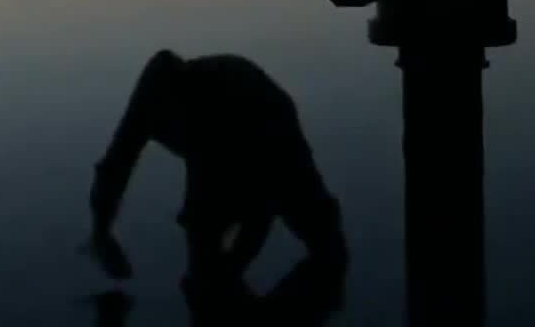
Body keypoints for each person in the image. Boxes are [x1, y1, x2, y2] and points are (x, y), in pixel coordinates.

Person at [87, 50, 347, 288]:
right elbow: (116, 163)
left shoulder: (228, 100)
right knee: (201, 237)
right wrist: (102, 231)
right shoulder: (148, 102)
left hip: (270, 127)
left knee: (319, 233)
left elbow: (262, 204)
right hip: (209, 148)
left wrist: (234, 266)